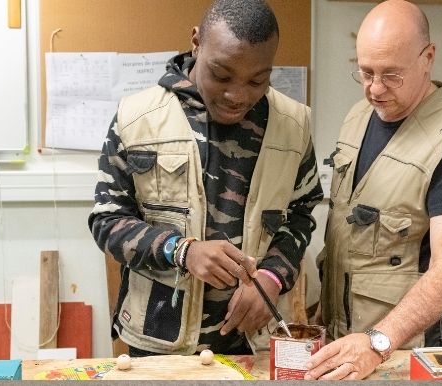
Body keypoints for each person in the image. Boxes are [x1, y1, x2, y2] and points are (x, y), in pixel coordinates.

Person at [88, 0, 323, 357]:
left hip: (255, 343)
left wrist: (273, 277)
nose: (237, 96)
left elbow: (302, 213)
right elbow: (107, 221)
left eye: (258, 79)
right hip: (159, 346)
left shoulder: (293, 125)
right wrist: (182, 251)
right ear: (196, 42)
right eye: (222, 75)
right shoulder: (137, 119)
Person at [305, 0, 442, 380]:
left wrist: (379, 342)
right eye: (365, 73)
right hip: (346, 345)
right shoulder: (358, 117)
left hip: (407, 353)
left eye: (392, 75)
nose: (375, 89)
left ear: (428, 57)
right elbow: (349, 233)